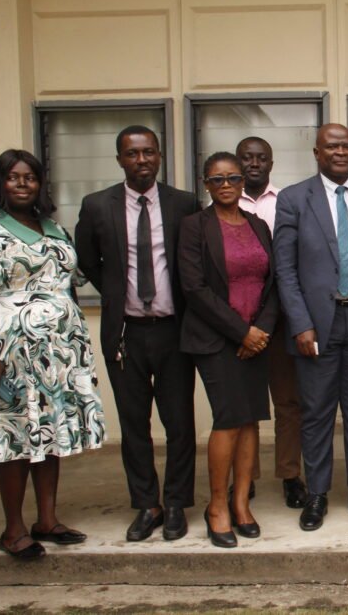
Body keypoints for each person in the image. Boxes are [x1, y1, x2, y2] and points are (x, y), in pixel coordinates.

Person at [0, 149, 105, 559]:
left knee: (49, 436)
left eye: (30, 177)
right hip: (9, 351)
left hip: (57, 355)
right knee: (15, 438)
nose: (23, 183)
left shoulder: (53, 228)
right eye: (13, 177)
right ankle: (13, 530)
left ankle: (46, 519)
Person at [75, 125, 199, 542]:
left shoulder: (184, 204)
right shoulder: (96, 206)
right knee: (133, 425)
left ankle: (178, 502)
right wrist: (115, 290)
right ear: (120, 159)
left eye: (148, 152)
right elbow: (88, 260)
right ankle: (147, 504)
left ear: (160, 156)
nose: (141, 160)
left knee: (180, 422)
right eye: (132, 154)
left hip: (174, 331)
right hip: (125, 332)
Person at [275, 123, 348, 531]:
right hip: (317, 324)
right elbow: (284, 270)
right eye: (331, 146)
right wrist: (300, 324)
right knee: (318, 412)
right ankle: (318, 494)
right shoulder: (293, 199)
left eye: (347, 146)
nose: (340, 152)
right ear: (317, 152)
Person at [178, 152, 278, 548]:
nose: (225, 185)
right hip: (216, 339)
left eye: (232, 178)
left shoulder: (257, 225)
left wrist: (262, 330)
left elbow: (273, 282)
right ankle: (216, 506)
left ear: (242, 183)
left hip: (257, 337)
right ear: (205, 184)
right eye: (216, 179)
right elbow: (194, 289)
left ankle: (241, 503)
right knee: (228, 419)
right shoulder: (194, 227)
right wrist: (242, 333)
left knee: (251, 418)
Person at [236, 136, 307, 509]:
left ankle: (290, 475)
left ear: (272, 162)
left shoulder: (287, 201)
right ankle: (245, 476)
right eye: (246, 158)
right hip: (239, 324)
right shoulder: (224, 201)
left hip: (281, 319)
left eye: (261, 157)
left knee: (288, 403)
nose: (254, 164)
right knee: (243, 405)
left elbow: (291, 264)